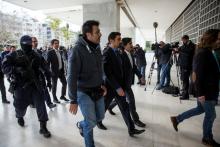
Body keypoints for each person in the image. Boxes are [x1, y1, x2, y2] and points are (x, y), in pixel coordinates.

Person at [170, 29, 220, 147]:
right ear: (211, 39)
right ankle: (207, 138)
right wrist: (201, 93)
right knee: (211, 115)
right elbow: (196, 75)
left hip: (209, 89)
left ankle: (177, 119)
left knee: (200, 109)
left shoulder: (209, 51)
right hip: (206, 91)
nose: (219, 41)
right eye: (218, 38)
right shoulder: (203, 53)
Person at [2, 35, 51, 138]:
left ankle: (43, 127)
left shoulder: (37, 55)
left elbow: (45, 67)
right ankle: (19, 116)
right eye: (26, 44)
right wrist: (16, 69)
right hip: (21, 87)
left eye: (30, 44)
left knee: (41, 105)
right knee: (20, 108)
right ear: (21, 44)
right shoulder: (14, 55)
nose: (29, 46)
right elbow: (4, 67)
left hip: (35, 85)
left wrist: (49, 80)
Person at [68, 20, 107, 147]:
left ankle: (82, 125)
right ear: (88, 34)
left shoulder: (97, 47)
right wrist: (73, 100)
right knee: (91, 122)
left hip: (97, 89)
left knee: (99, 117)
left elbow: (99, 68)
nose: (100, 34)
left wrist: (102, 84)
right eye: (97, 32)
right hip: (83, 91)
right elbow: (71, 77)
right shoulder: (77, 50)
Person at [98, 32, 145, 136]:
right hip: (111, 87)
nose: (120, 41)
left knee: (125, 107)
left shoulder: (118, 52)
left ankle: (131, 129)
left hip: (120, 86)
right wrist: (117, 87)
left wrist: (122, 85)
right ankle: (98, 121)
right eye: (118, 39)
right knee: (104, 107)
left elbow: (123, 69)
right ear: (111, 40)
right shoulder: (106, 52)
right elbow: (107, 73)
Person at [108, 38, 146, 127]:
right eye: (130, 43)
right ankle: (136, 120)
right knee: (131, 101)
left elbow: (134, 67)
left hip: (128, 82)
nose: (132, 45)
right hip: (123, 84)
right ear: (125, 45)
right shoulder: (121, 55)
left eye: (131, 43)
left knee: (119, 100)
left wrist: (140, 76)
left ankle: (110, 106)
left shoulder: (131, 54)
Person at [32, 37, 56, 109]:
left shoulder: (39, 52)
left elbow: (43, 63)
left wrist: (47, 72)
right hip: (31, 76)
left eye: (36, 41)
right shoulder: (26, 52)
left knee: (45, 89)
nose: (35, 43)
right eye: (33, 41)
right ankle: (32, 103)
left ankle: (49, 103)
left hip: (40, 74)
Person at [46, 39, 69, 103]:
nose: (57, 44)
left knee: (65, 83)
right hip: (54, 72)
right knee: (54, 86)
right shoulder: (50, 52)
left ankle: (62, 96)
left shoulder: (60, 51)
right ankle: (54, 98)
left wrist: (63, 69)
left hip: (61, 71)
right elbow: (47, 64)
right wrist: (50, 72)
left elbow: (61, 61)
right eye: (55, 43)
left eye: (58, 43)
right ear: (52, 44)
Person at [175, 35, 196, 100]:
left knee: (186, 80)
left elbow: (188, 53)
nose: (182, 41)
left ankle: (186, 95)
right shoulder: (184, 45)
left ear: (186, 39)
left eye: (183, 40)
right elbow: (181, 50)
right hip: (183, 64)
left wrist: (179, 50)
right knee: (184, 79)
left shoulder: (192, 45)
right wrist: (176, 50)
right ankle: (185, 92)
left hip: (187, 65)